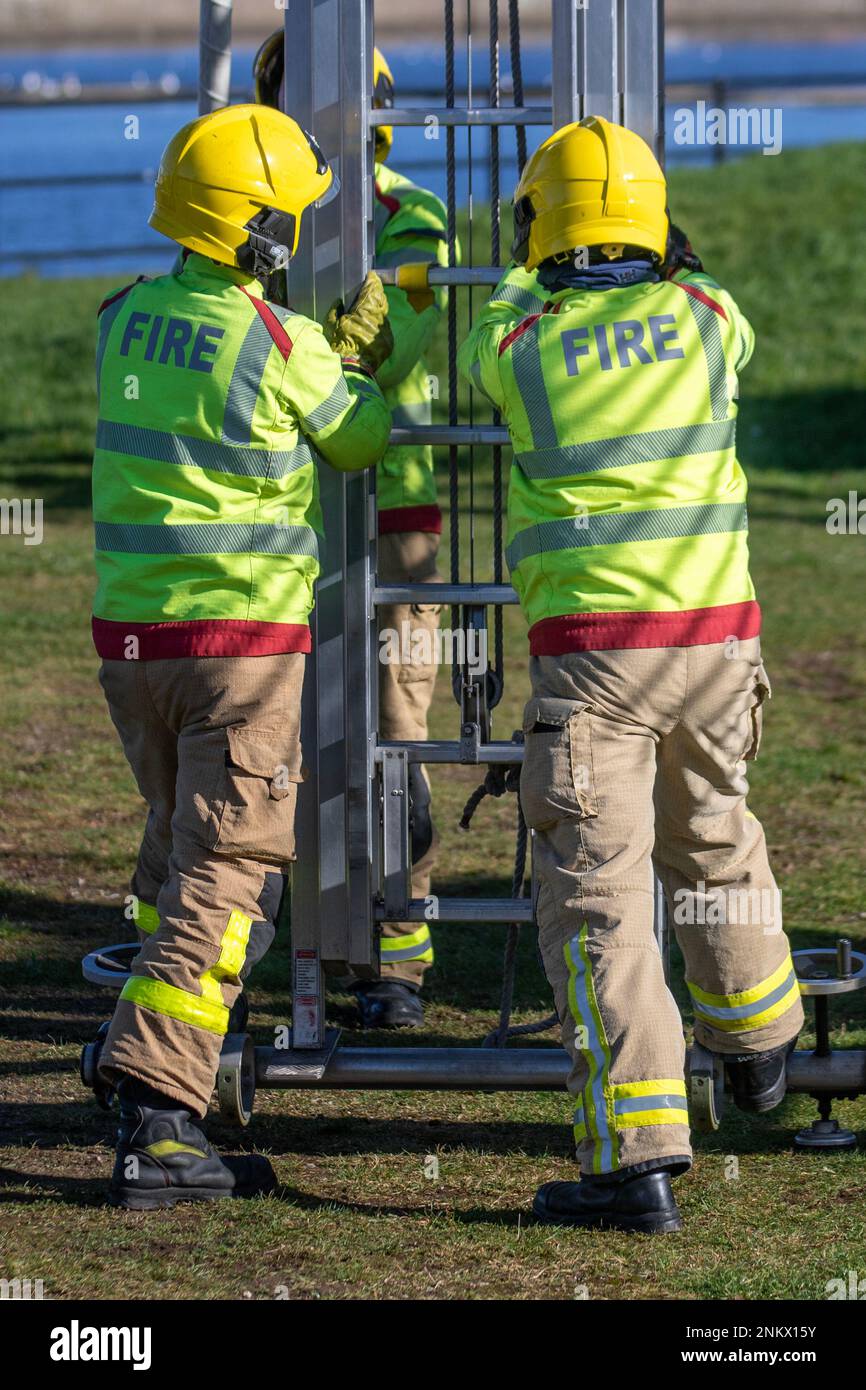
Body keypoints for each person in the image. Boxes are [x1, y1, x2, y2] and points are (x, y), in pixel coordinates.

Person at [458, 115, 803, 1233]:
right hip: (716, 643)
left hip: (597, 659)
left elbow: (492, 329)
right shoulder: (707, 320)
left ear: (539, 226)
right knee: (716, 836)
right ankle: (757, 1047)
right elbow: (713, 304)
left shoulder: (521, 344)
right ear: (653, 223)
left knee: (601, 897)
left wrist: (523, 259)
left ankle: (635, 1157)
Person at [92, 102, 393, 1208]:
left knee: (178, 854)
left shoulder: (121, 318)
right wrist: (353, 357)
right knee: (225, 873)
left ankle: (140, 1058)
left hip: (135, 644)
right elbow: (356, 437)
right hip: (241, 647)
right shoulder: (279, 342)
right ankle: (158, 1111)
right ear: (257, 235)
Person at [254, 36, 455, 1027]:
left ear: (372, 106)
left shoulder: (414, 216)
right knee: (275, 733)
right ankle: (283, 940)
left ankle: (396, 961)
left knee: (395, 734)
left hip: (392, 510)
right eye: (296, 97)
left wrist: (285, 351)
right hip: (282, 516)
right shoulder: (252, 215)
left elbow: (388, 338)